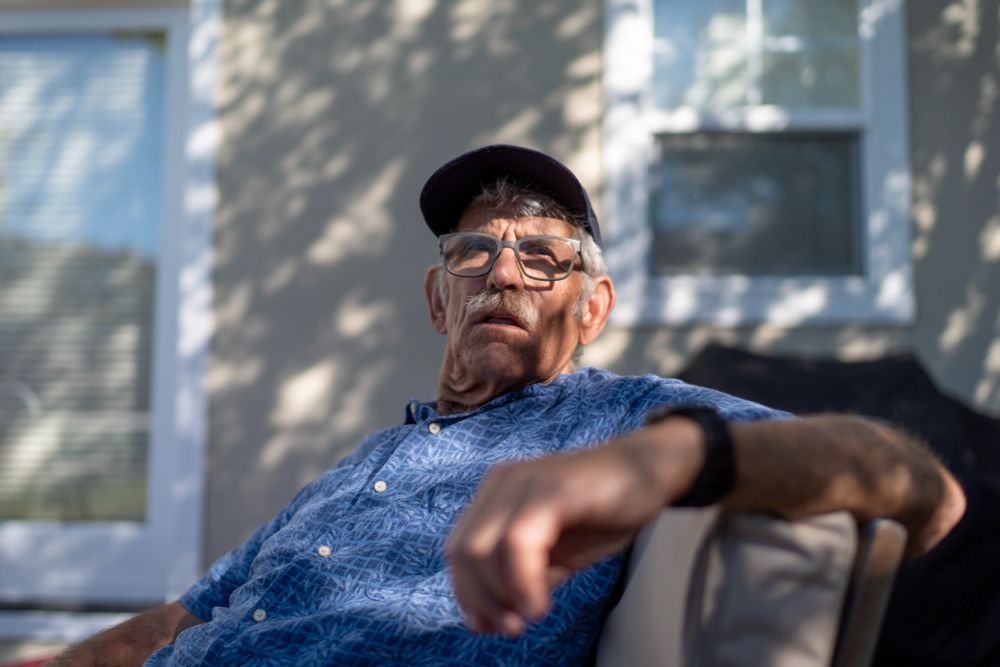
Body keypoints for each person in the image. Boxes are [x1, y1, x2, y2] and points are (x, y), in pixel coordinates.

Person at [51, 144, 965, 666]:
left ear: (593, 307)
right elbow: (179, 619)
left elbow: (924, 489)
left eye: (543, 256)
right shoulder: (364, 462)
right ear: (438, 299)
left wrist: (669, 458)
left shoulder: (627, 415)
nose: (502, 272)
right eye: (474, 251)